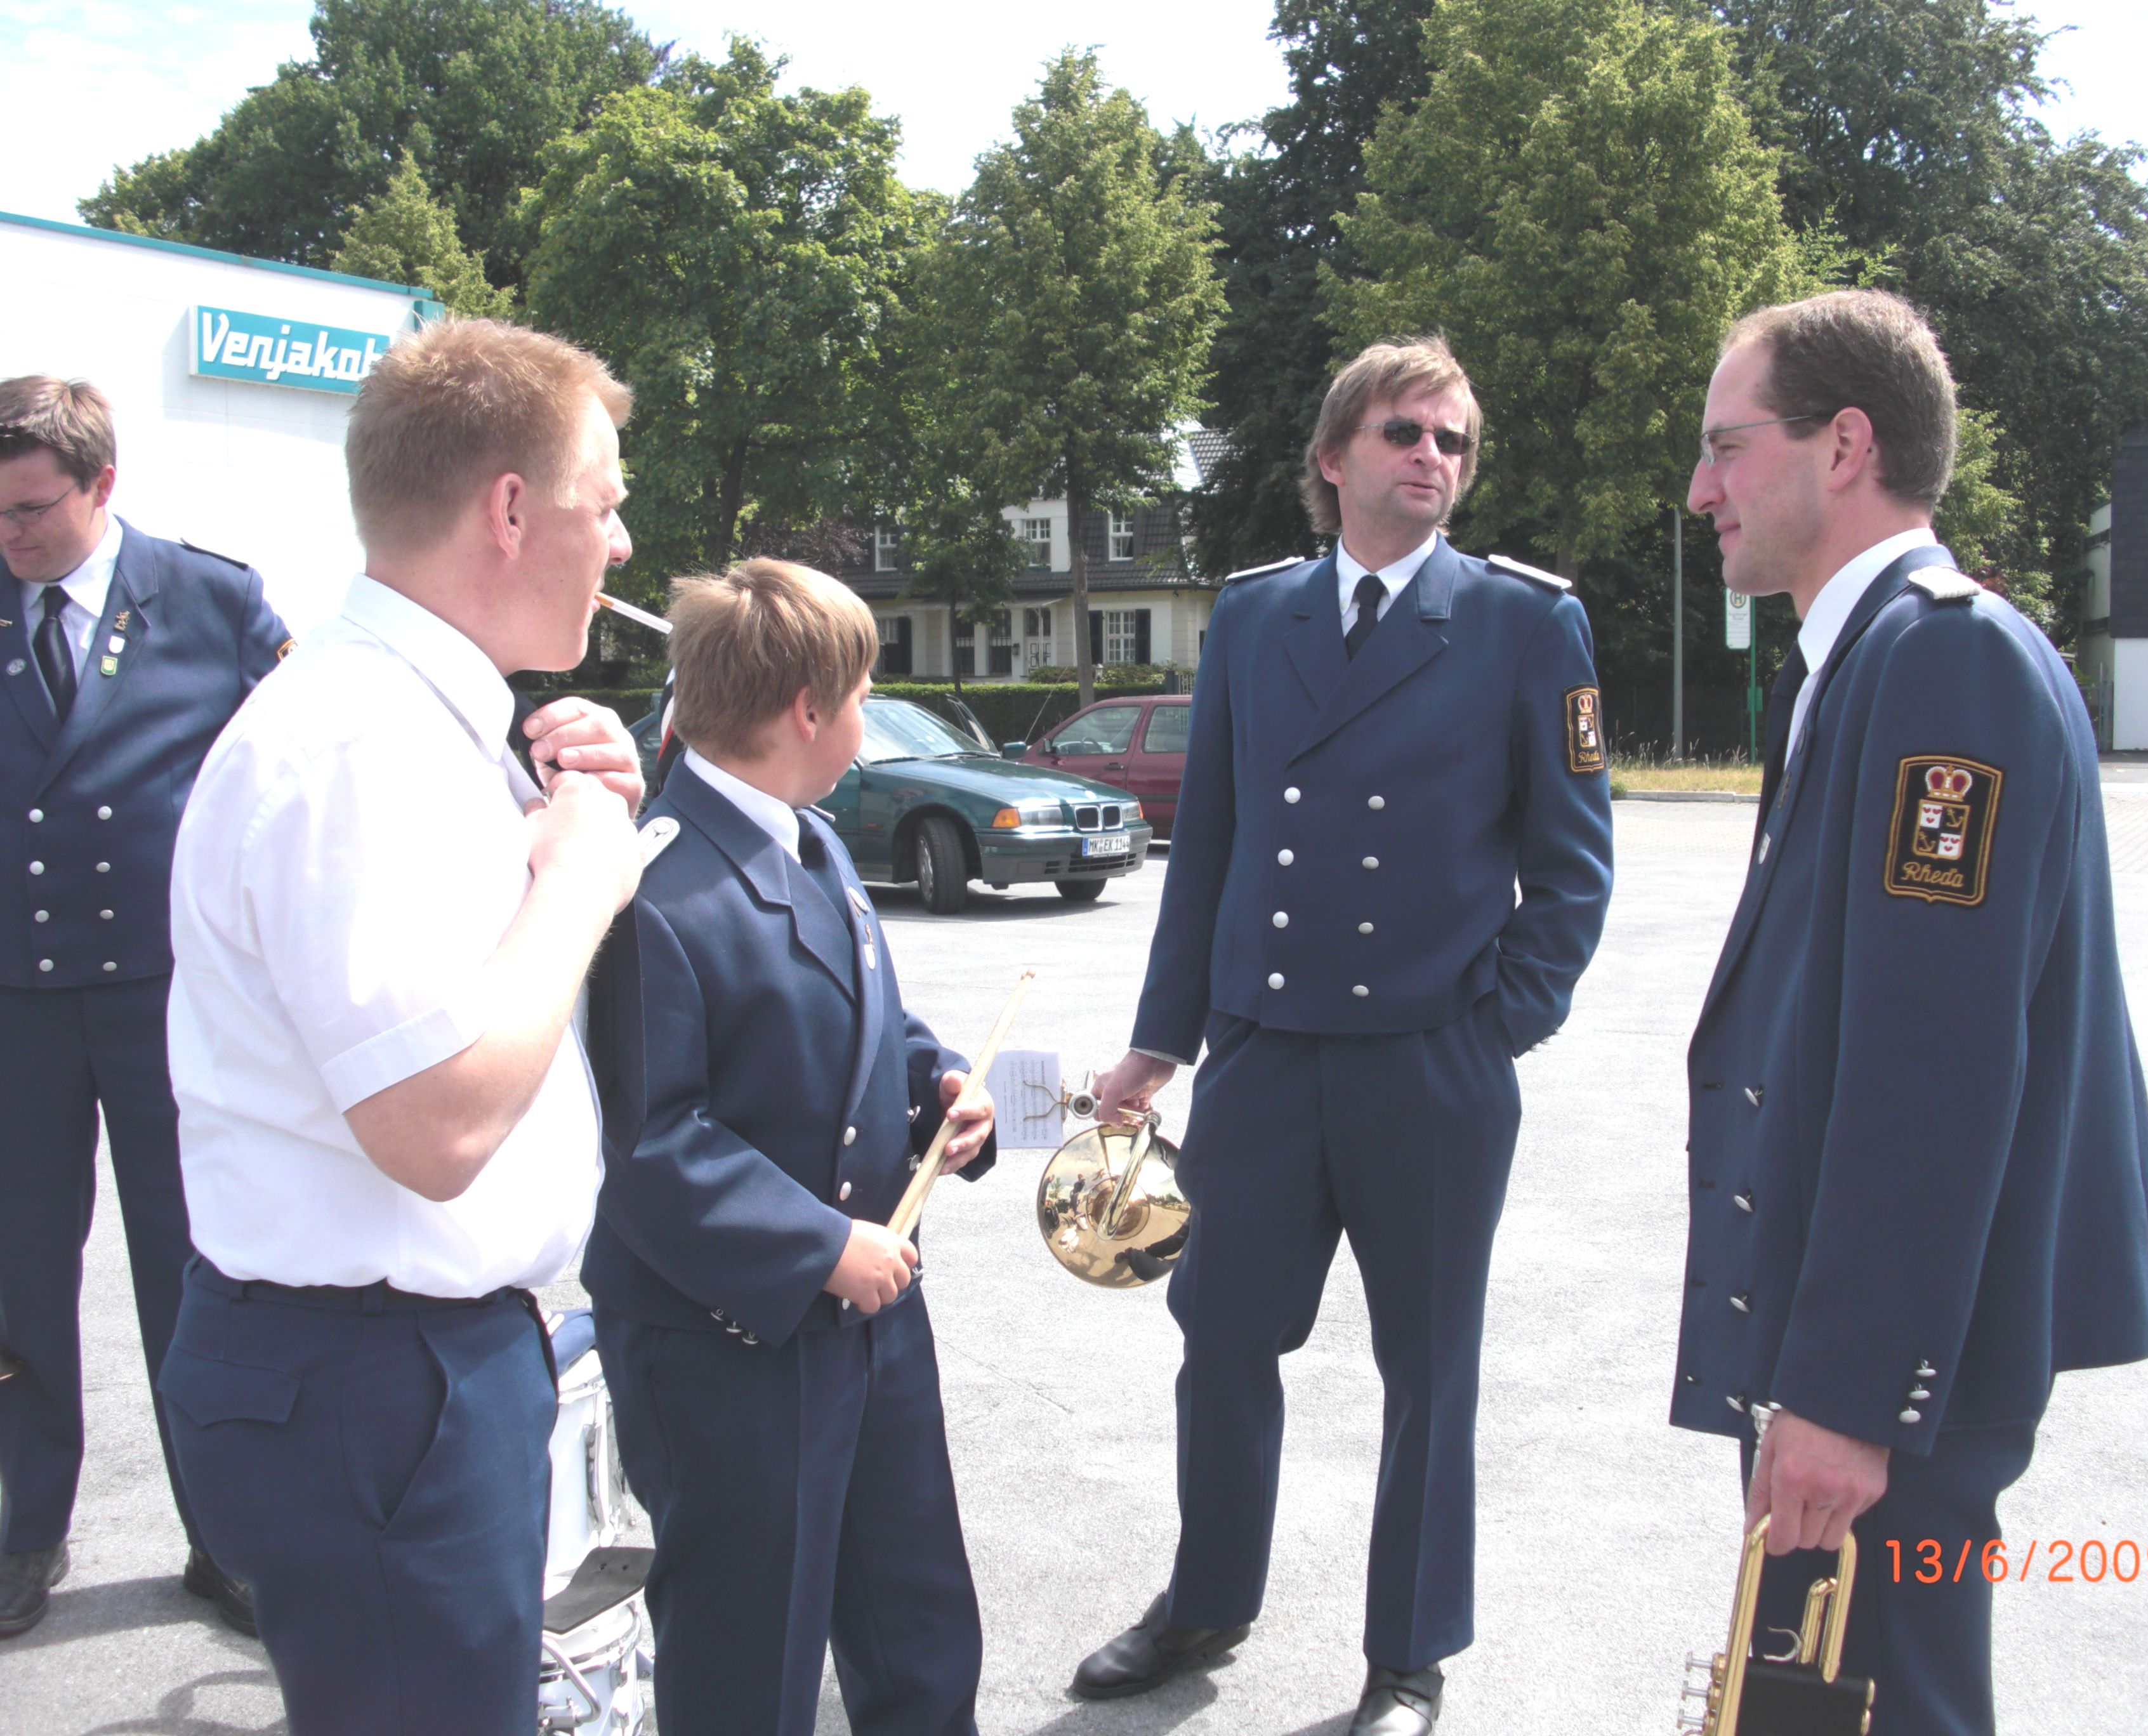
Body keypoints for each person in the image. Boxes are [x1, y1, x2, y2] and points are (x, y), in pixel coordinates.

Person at [1077, 337, 1614, 1735]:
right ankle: (1206, 1601)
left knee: (1428, 1367)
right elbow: (1208, 845)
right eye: (1403, 432)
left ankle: (1409, 1656)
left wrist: (1497, 1025)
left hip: (1429, 1058)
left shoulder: (1524, 623)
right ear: (1333, 457)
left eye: (1452, 439)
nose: (1432, 456)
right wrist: (1161, 1041)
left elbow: (1573, 868)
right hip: (1267, 1050)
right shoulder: (1256, 615)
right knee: (1218, 1335)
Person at [1675, 289, 2148, 1735]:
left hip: (1896, 1372)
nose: (1703, 489)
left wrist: (1850, 1396)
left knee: (1886, 1708)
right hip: (1856, 1343)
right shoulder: (1868, 659)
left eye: (1728, 445)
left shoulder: (1943, 662)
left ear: (1843, 447)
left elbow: (1935, 1069)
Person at [159, 318, 646, 1735]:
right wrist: (581, 878)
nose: (621, 544)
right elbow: (436, 1124)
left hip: (402, 1368)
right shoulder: (359, 744)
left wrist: (571, 812)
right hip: (376, 1382)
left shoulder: (411, 722)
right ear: (511, 510)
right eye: (605, 502)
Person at [581, 558, 996, 1736]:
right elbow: (651, 1144)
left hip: (870, 1314)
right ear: (808, 711)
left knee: (918, 1626)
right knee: (748, 1659)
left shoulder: (809, 839)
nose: (868, 715)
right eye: (863, 694)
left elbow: (865, 1020)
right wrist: (820, 1248)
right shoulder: (654, 888)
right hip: (731, 1348)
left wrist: (936, 1083)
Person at [0, 376, 291, 1638]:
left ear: (102, 484)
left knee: (196, 1270)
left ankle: (225, 1538)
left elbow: (298, 767)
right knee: (15, 1275)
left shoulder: (209, 600)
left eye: (31, 510)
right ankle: (21, 1528)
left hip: (173, 1001)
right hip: (15, 1003)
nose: (10, 535)